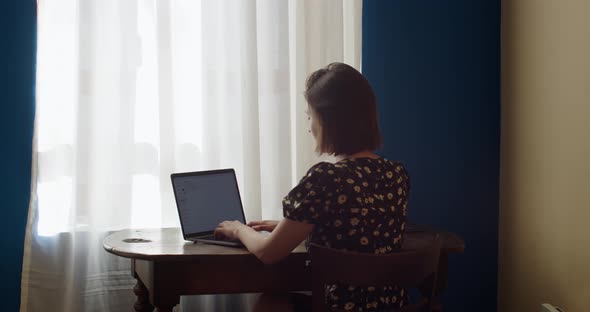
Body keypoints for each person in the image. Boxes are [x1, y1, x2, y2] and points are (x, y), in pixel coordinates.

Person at [214, 62, 410, 311]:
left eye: (310, 116)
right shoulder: (396, 175)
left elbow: (268, 252)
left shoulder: (326, 178)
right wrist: (300, 226)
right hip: (390, 306)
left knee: (270, 299)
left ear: (328, 120)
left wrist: (238, 229)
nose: (309, 127)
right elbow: (360, 228)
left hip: (339, 306)